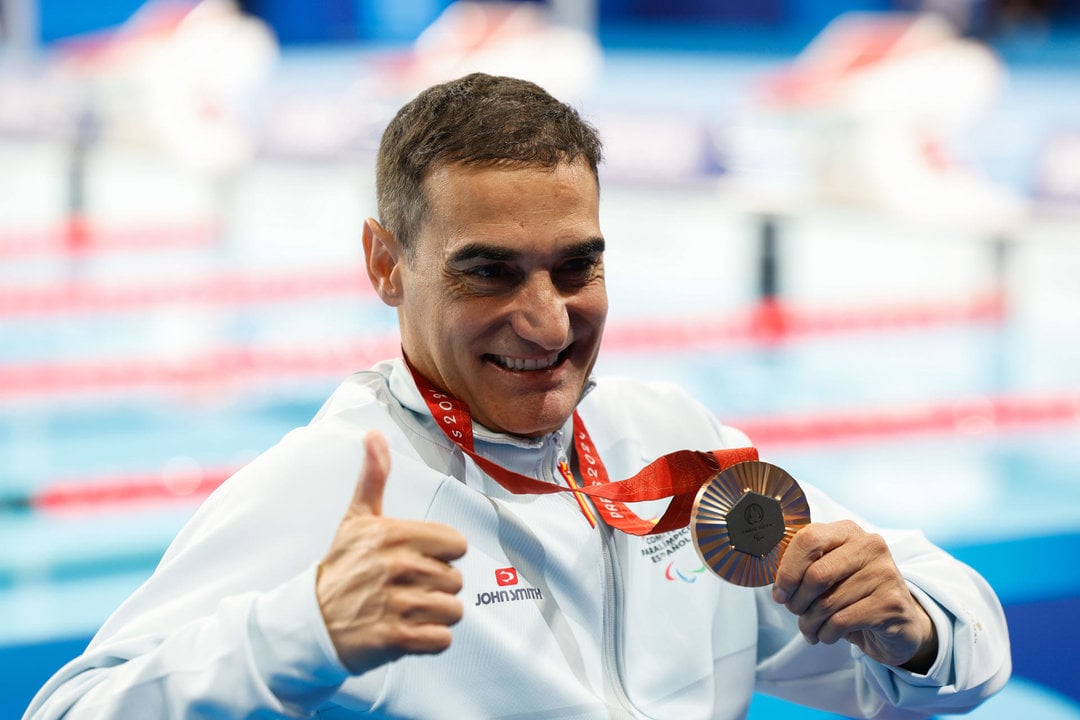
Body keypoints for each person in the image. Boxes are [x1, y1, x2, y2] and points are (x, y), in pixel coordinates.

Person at [24, 72, 1010, 719]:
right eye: (487, 273)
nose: (546, 325)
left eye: (576, 268)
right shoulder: (337, 483)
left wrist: (910, 627)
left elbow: (954, 652)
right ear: (384, 263)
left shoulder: (673, 444)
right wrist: (303, 632)